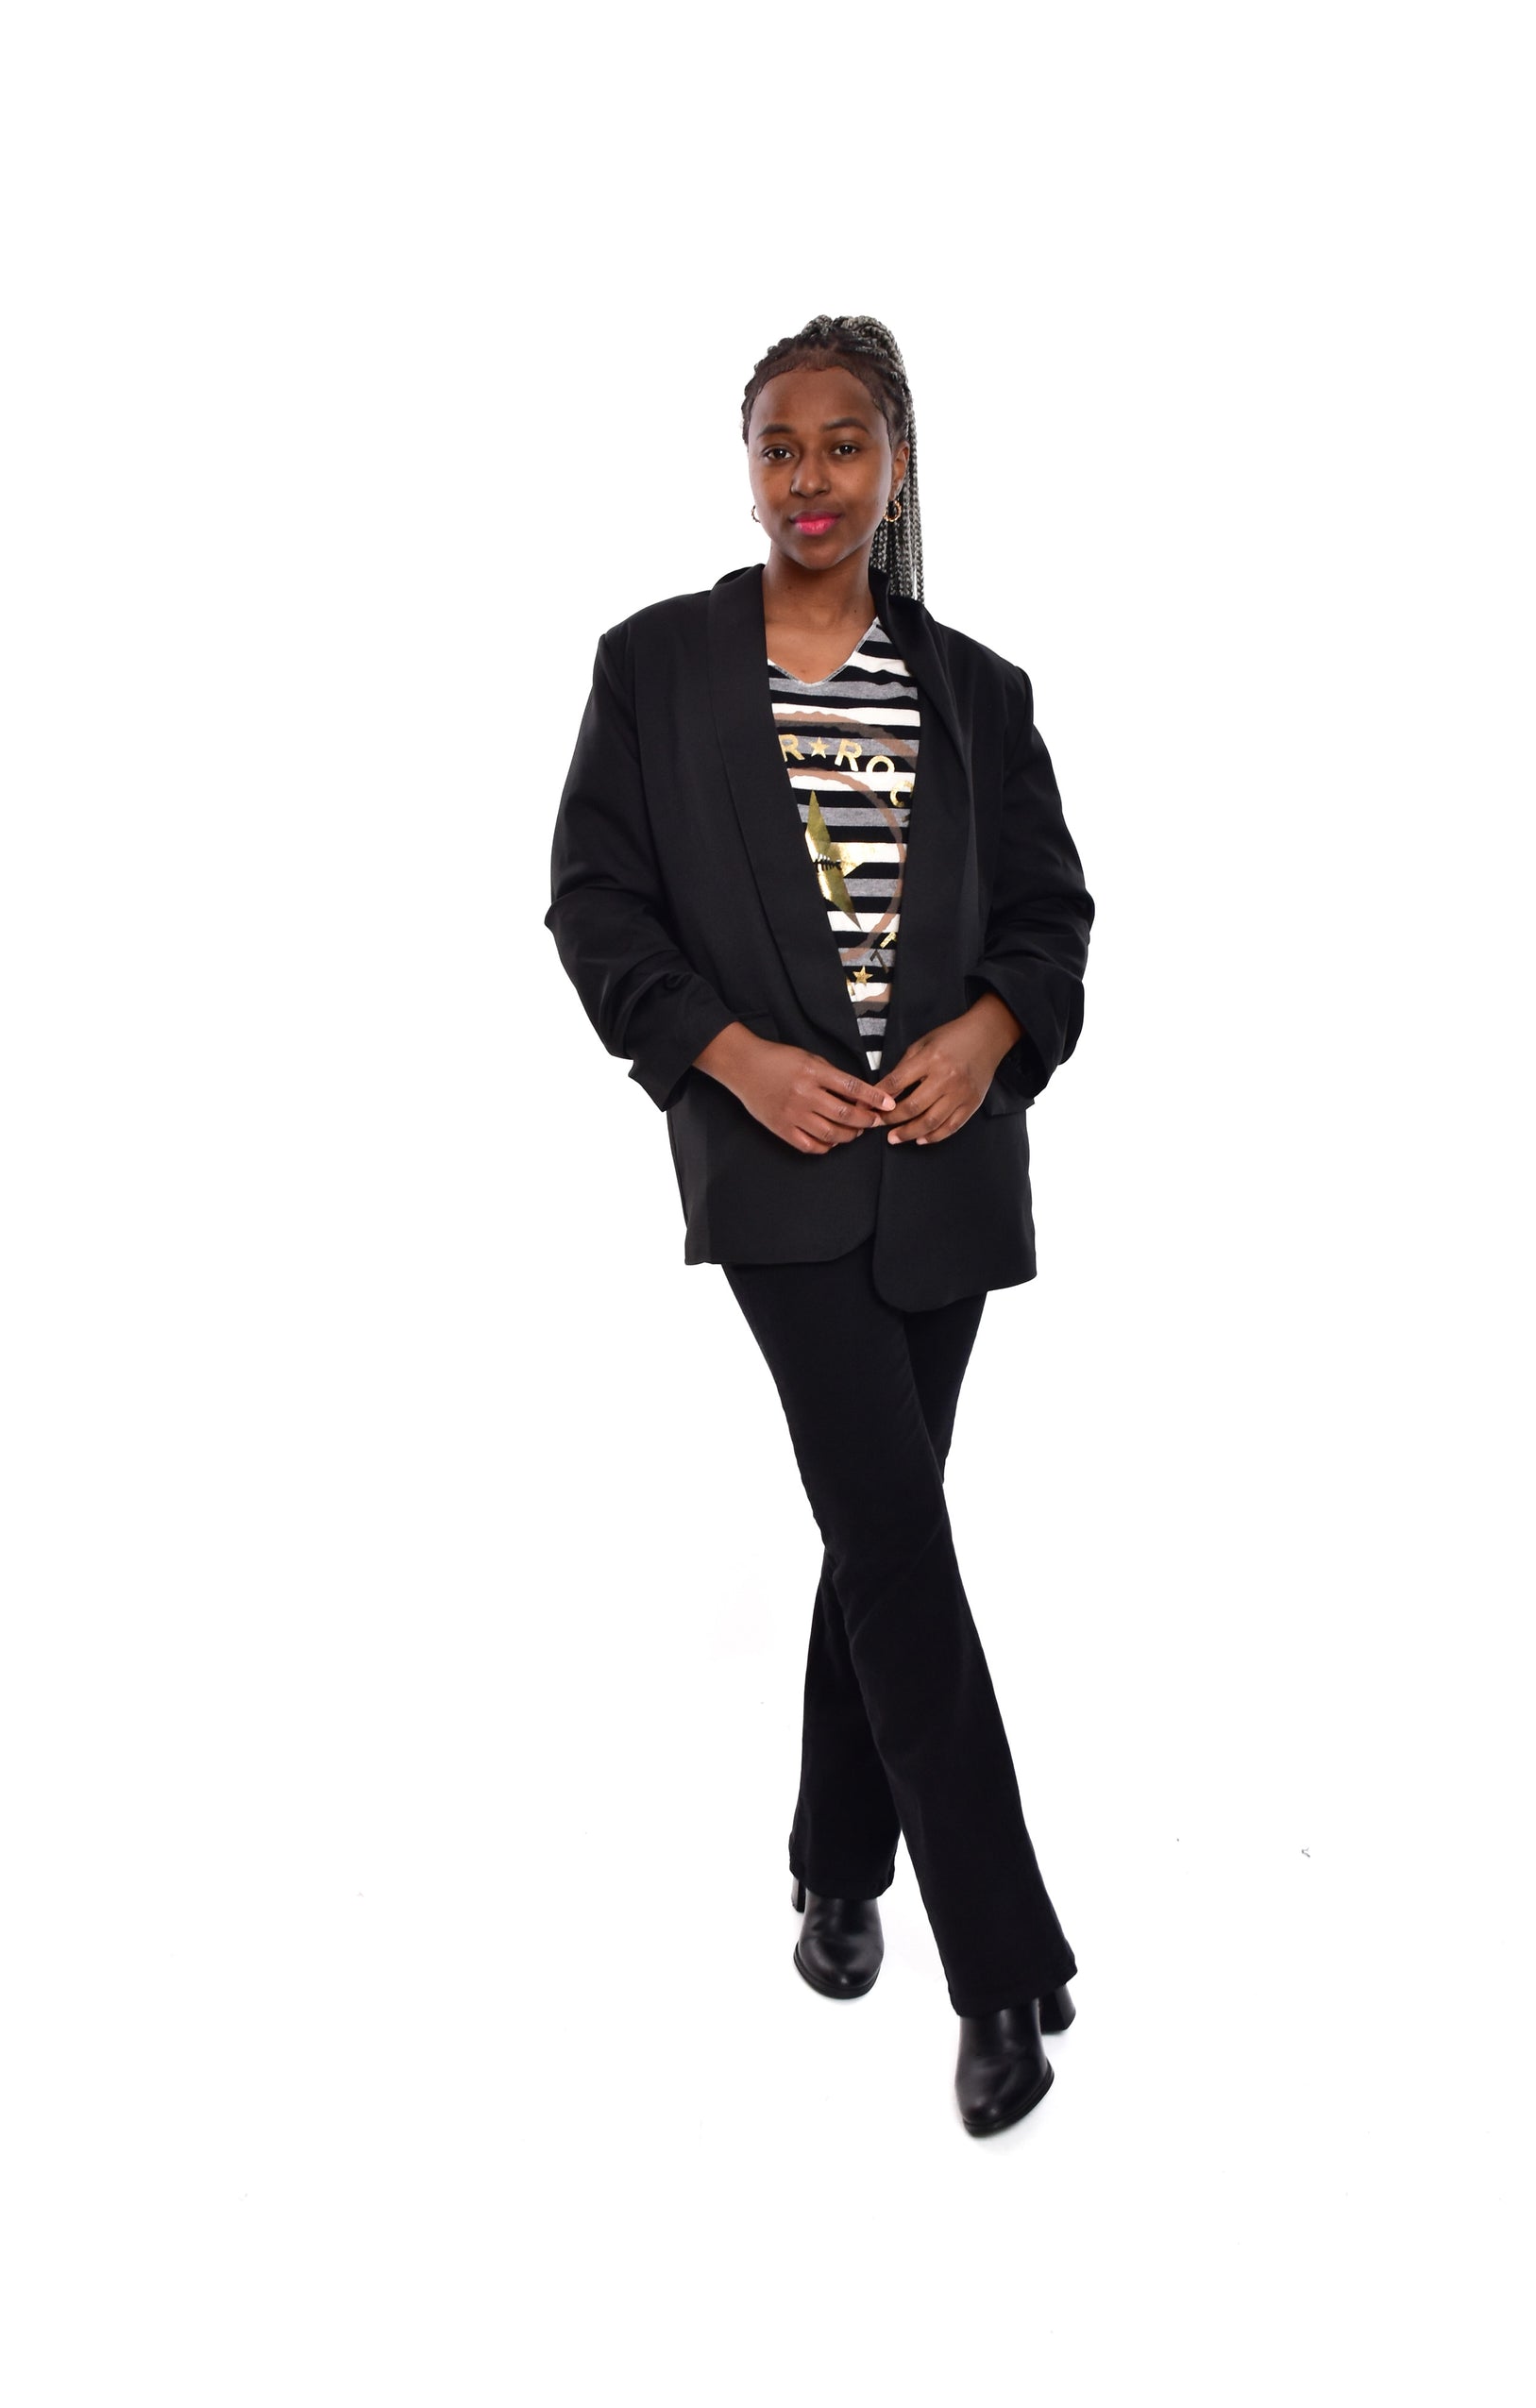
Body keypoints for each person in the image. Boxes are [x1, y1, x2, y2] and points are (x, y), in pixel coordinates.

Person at [544, 313, 1094, 2135]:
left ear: (895, 465)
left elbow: (1050, 919)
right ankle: (1001, 1965)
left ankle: (834, 1864)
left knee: (879, 1528)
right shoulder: (657, 669)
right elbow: (595, 902)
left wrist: (988, 1031)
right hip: (777, 1174)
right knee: (900, 1546)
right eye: (778, 446)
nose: (808, 479)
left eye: (841, 444)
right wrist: (731, 1059)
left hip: (948, 1168)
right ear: (749, 467)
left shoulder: (980, 694)